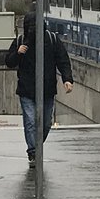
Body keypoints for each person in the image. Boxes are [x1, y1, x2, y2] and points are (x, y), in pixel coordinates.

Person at [5, 11, 73, 167]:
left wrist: (67, 79)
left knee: (46, 123)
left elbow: (63, 60)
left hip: (47, 89)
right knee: (30, 121)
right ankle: (33, 151)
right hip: (27, 89)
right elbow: (9, 61)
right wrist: (18, 53)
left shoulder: (52, 40)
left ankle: (36, 146)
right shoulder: (20, 42)